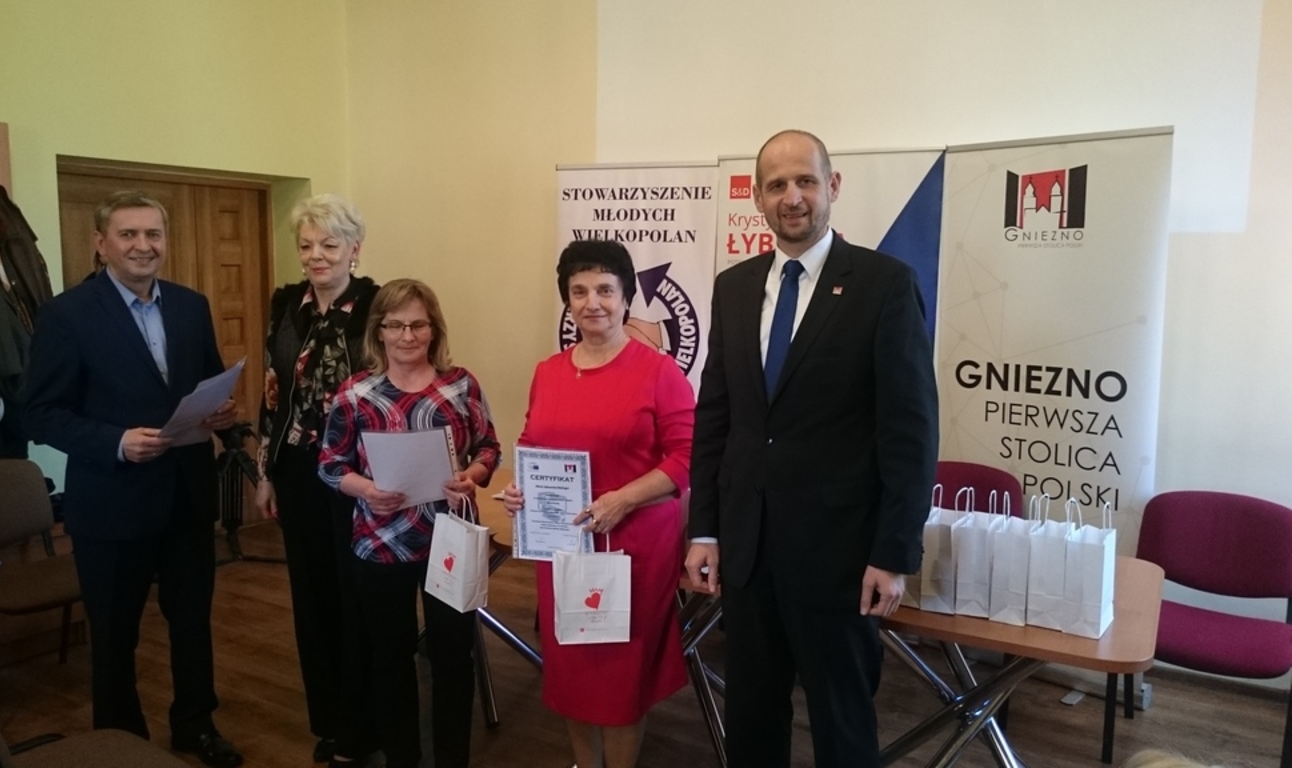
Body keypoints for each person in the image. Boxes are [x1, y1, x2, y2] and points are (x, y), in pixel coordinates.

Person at [685, 130, 939, 767]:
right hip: (747, 551)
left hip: (841, 558)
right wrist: (705, 530)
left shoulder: (884, 285)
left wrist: (894, 552)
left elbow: (910, 433)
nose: (791, 197)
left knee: (842, 724)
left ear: (833, 186)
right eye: (776, 185)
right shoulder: (734, 287)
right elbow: (716, 419)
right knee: (751, 719)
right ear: (758, 199)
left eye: (805, 181)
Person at [24, 190, 244, 767]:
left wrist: (222, 414)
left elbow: (207, 381)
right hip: (111, 503)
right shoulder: (66, 315)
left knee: (192, 625)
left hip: (187, 496)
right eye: (128, 235)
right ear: (101, 244)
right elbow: (39, 413)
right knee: (115, 635)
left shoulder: (191, 305)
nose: (143, 246)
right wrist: (115, 442)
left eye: (153, 234)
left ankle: (196, 726)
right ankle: (119, 742)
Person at [501, 240, 694, 768]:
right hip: (563, 545)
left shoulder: (659, 373)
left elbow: (687, 458)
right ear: (567, 300)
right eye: (579, 291)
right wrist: (520, 489)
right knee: (571, 669)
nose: (593, 303)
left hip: (633, 549)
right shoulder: (548, 371)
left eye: (606, 290)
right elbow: (532, 444)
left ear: (626, 297)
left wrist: (623, 499)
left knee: (620, 676)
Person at [318, 278, 500, 768]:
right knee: (390, 660)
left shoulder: (460, 384)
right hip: (379, 543)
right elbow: (330, 464)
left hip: (450, 540)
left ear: (433, 329)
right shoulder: (355, 393)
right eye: (395, 325)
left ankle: (452, 760)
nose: (407, 335)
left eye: (418, 325)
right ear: (378, 331)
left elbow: (488, 447)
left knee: (453, 658)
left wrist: (472, 475)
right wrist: (366, 490)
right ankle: (402, 758)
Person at [255, 194, 380, 764]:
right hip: (298, 469)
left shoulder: (378, 305)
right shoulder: (287, 306)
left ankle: (364, 724)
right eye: (306, 246)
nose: (316, 256)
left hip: (361, 472)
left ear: (355, 248)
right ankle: (329, 719)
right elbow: (273, 393)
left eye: (329, 244)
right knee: (313, 599)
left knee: (358, 597)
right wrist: (265, 472)